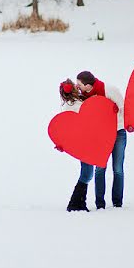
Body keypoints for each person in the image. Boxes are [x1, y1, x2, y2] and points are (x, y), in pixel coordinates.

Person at [76, 71, 127, 208]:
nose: (77, 86)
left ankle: (117, 202)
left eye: (79, 84)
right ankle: (100, 203)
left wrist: (115, 113)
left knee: (117, 169)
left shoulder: (109, 90)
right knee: (100, 169)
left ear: (87, 85)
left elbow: (124, 108)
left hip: (118, 132)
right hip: (100, 135)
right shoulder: (83, 97)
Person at [57, 79, 93, 212]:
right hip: (84, 142)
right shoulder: (76, 105)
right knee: (87, 173)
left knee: (87, 172)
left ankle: (80, 203)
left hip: (82, 142)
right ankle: (74, 203)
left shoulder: (70, 105)